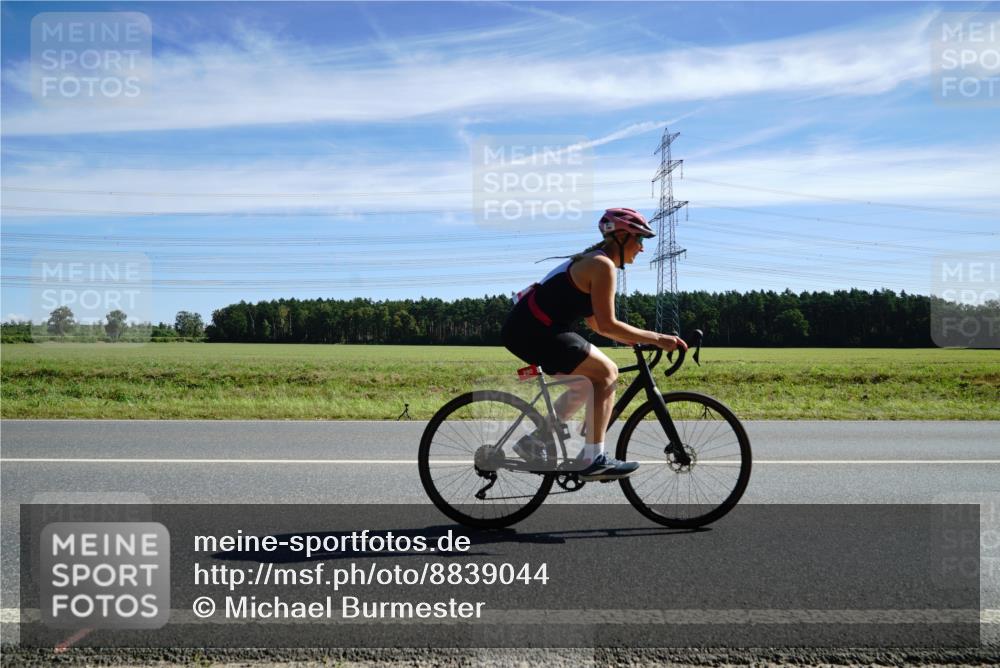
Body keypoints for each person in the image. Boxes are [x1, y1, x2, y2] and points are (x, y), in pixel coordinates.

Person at [500, 207, 687, 481]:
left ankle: (535, 442)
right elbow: (609, 324)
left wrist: (636, 340)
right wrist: (659, 339)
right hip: (535, 330)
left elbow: (597, 325)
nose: (643, 248)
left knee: (583, 386)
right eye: (641, 240)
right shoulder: (602, 265)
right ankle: (593, 459)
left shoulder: (594, 262)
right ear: (622, 236)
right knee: (607, 373)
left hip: (527, 329)